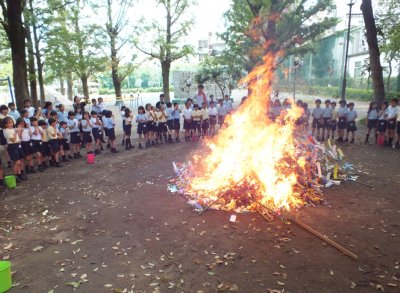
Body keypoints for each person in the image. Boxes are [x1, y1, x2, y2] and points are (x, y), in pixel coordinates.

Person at [3, 117, 26, 181]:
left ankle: (20, 174)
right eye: (9, 123)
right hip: (12, 146)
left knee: (21, 160)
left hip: (18, 144)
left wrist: (20, 131)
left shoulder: (13, 129)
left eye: (12, 122)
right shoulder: (6, 131)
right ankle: (15, 175)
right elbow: (13, 140)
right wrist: (16, 132)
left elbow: (19, 137)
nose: (11, 124)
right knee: (17, 162)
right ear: (5, 125)